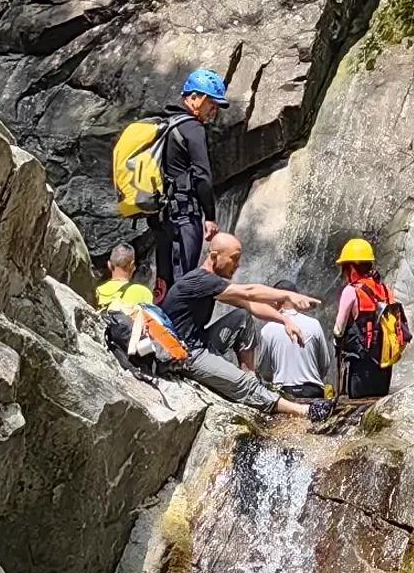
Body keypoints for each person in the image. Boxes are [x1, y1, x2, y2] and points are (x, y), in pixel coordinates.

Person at [162, 226, 325, 406]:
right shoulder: (200, 280)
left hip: (200, 343)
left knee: (242, 317)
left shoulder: (210, 283)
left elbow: (250, 305)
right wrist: (288, 295)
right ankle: (301, 410)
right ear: (215, 256)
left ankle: (250, 375)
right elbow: (249, 292)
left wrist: (285, 319)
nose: (238, 265)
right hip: (186, 354)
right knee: (243, 385)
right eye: (234, 259)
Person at [147, 66, 230, 287]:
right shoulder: (193, 128)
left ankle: (160, 320)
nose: (213, 111)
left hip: (162, 217)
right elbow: (202, 175)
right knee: (183, 281)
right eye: (211, 104)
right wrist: (209, 217)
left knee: (163, 282)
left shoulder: (164, 123)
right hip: (184, 216)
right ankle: (178, 322)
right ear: (194, 97)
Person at [330, 237, 409, 402]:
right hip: (384, 365)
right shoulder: (385, 290)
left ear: (351, 267)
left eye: (344, 267)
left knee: (357, 411)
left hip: (361, 366)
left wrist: (337, 344)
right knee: (377, 406)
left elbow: (339, 329)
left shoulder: (351, 291)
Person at [94, 240, 156, 358]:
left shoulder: (97, 291)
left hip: (105, 346)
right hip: (135, 352)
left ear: (109, 264)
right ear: (132, 266)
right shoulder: (144, 292)